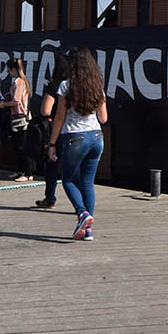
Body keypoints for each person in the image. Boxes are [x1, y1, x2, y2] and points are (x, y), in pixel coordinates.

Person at [48, 48, 107, 241]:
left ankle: (82, 213)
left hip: (75, 137)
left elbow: (59, 117)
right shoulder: (97, 85)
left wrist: (52, 143)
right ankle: (87, 231)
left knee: (68, 180)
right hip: (97, 136)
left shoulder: (66, 85)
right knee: (87, 182)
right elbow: (104, 118)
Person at [34, 51, 73, 209]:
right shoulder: (76, 83)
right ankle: (81, 205)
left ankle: (50, 198)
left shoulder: (56, 85)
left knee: (51, 164)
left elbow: (46, 110)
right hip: (77, 130)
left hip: (58, 131)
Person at [0, 58, 34, 182]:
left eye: (9, 71)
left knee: (22, 146)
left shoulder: (19, 82)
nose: (9, 73)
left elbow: (17, 101)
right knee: (17, 145)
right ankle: (20, 170)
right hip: (18, 116)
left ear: (14, 70)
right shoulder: (21, 81)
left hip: (20, 116)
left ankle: (28, 172)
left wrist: (4, 104)